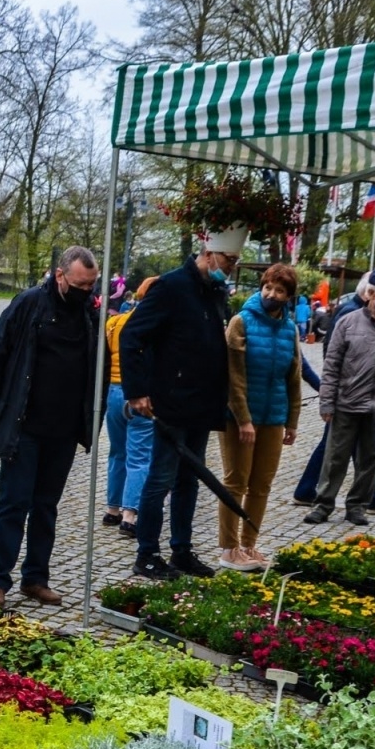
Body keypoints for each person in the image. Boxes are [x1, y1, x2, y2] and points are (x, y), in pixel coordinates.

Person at [0, 246, 106, 608]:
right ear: (60, 275)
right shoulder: (29, 305)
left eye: (92, 285)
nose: (87, 292)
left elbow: (100, 372)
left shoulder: (92, 315)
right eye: (80, 285)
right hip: (24, 426)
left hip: (63, 430)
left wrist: (91, 421)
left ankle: (36, 578)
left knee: (47, 507)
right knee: (14, 504)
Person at [119, 235, 240, 580]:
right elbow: (132, 336)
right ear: (209, 254)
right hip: (170, 403)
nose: (231, 268)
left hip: (201, 404)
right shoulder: (170, 286)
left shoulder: (215, 292)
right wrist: (137, 391)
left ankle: (181, 551)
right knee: (160, 480)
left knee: (191, 480)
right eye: (228, 260)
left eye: (234, 262)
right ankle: (147, 554)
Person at [305, 268, 375, 527]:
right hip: (347, 403)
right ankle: (323, 504)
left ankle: (357, 507)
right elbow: (331, 366)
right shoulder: (348, 322)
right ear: (370, 294)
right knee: (335, 458)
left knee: (369, 461)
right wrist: (327, 401)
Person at [218, 264, 303, 570]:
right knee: (235, 482)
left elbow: (294, 377)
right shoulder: (241, 322)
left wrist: (292, 421)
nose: (272, 294)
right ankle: (228, 548)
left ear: (289, 296)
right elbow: (233, 377)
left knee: (262, 485)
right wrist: (243, 418)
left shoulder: (290, 329)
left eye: (279, 290)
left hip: (273, 416)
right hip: (239, 418)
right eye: (268, 287)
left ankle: (248, 544)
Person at [102, 276, 158, 541]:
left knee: (117, 453)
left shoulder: (113, 323)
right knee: (140, 456)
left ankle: (112, 508)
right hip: (139, 395)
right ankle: (130, 515)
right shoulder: (154, 326)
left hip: (113, 393)